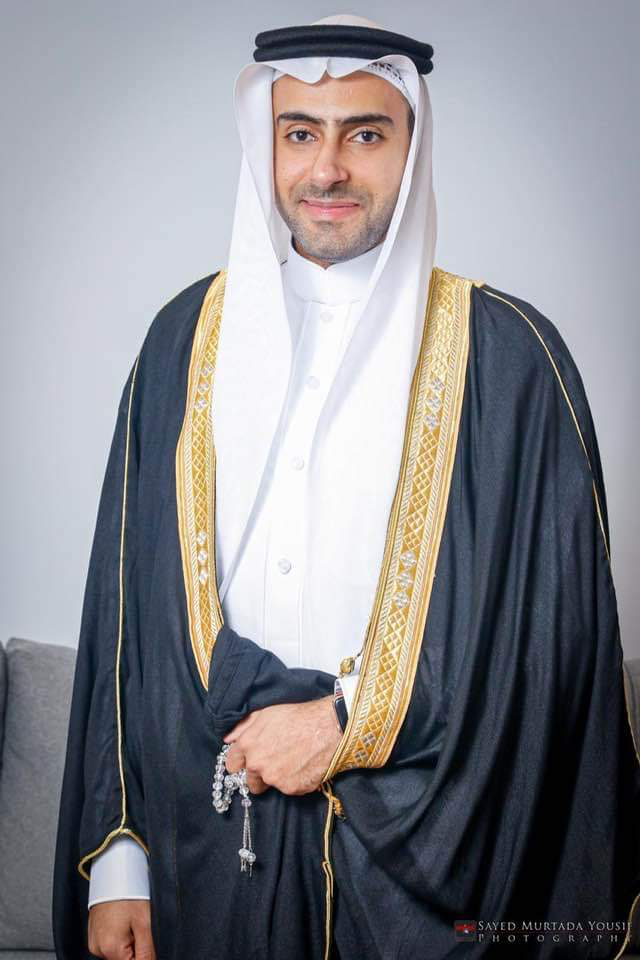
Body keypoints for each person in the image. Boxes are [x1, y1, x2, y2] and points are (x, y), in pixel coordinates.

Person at [53, 13, 640, 960]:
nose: (327, 169)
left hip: (434, 856)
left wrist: (345, 723)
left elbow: (550, 644)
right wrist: (122, 863)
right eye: (300, 133)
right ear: (267, 143)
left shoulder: (509, 359)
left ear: (412, 146)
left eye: (365, 133)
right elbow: (129, 619)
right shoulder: (182, 342)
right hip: (211, 842)